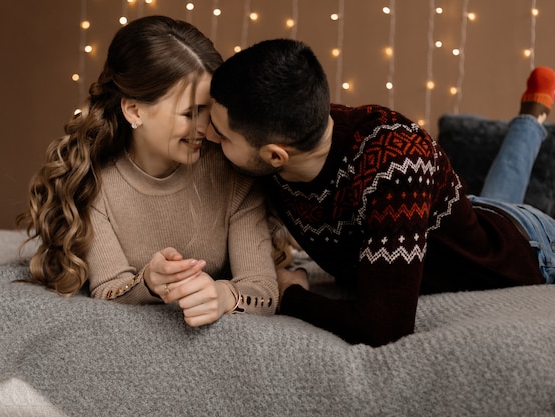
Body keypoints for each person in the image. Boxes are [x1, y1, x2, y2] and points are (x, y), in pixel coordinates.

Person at [206, 37, 555, 347]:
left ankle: (532, 118)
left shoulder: (395, 165)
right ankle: (532, 115)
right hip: (448, 217)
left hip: (531, 247)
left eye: (222, 135)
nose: (209, 136)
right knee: (490, 201)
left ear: (275, 155)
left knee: (503, 210)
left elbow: (383, 329)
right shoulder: (290, 126)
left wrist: (291, 293)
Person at [16, 16, 280, 327]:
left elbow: (263, 290)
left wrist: (224, 296)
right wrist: (149, 283)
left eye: (209, 109)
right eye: (189, 113)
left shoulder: (232, 173)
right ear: (134, 110)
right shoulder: (95, 185)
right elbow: (108, 289)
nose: (205, 127)